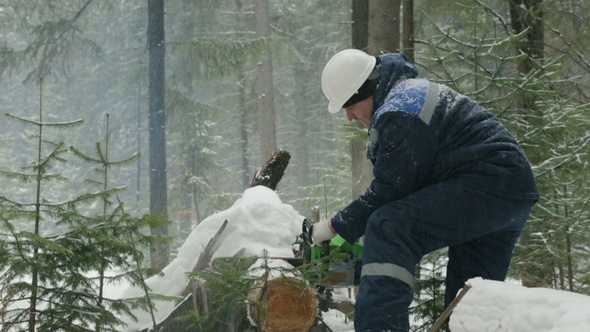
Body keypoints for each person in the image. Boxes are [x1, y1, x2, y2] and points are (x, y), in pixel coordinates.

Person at [311, 49, 539, 331]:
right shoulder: (407, 96)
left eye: (350, 106)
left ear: (366, 90)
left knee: (387, 226)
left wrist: (334, 226)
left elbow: (390, 191)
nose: (349, 116)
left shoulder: (401, 110)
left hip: (488, 184)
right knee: (470, 298)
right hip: (510, 189)